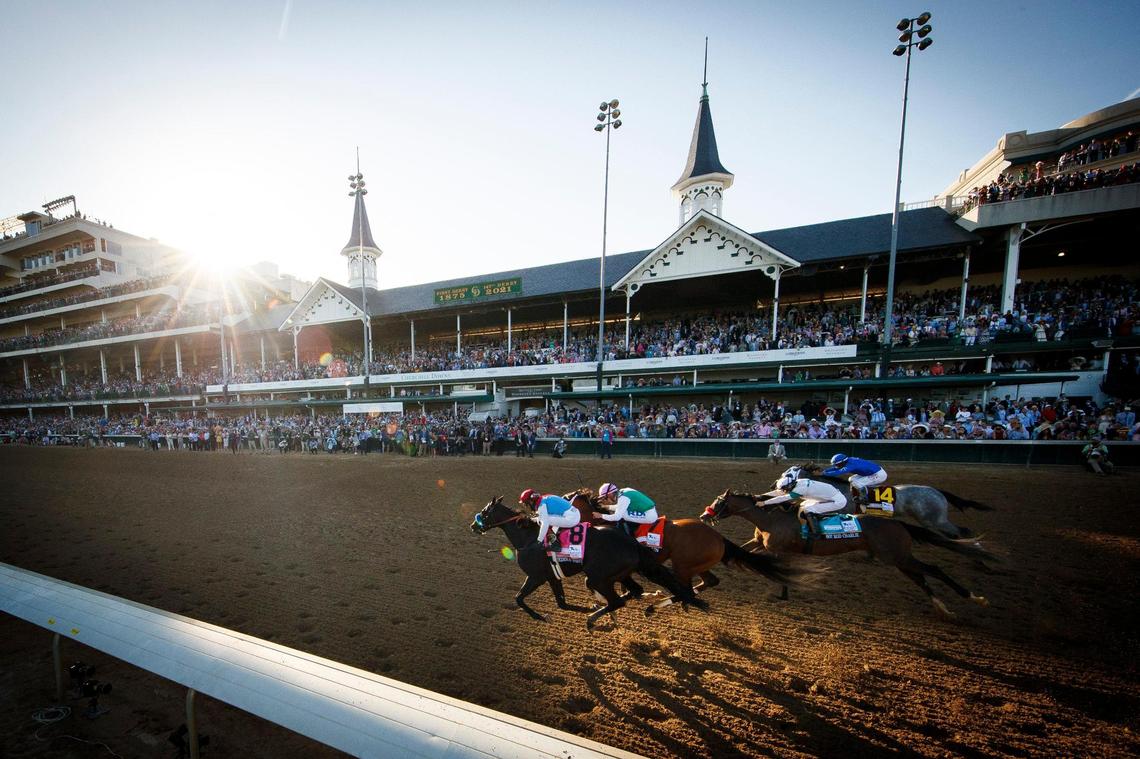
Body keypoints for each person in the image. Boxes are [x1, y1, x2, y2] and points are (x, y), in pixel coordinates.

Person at [764, 466, 847, 535]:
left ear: (789, 485)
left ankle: (815, 532)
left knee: (808, 510)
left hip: (837, 501)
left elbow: (781, 498)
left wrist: (764, 503)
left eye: (785, 489)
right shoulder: (798, 482)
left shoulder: (800, 490)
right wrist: (762, 496)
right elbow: (780, 492)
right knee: (802, 505)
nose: (784, 491)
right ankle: (808, 524)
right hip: (829, 496)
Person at [823, 453, 888, 504]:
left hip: (879, 474)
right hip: (872, 472)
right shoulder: (847, 461)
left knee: (857, 483)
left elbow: (838, 472)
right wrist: (825, 471)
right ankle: (856, 493)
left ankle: (864, 499)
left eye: (837, 464)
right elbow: (836, 468)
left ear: (842, 462)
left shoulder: (851, 465)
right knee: (851, 479)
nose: (836, 466)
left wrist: (824, 473)